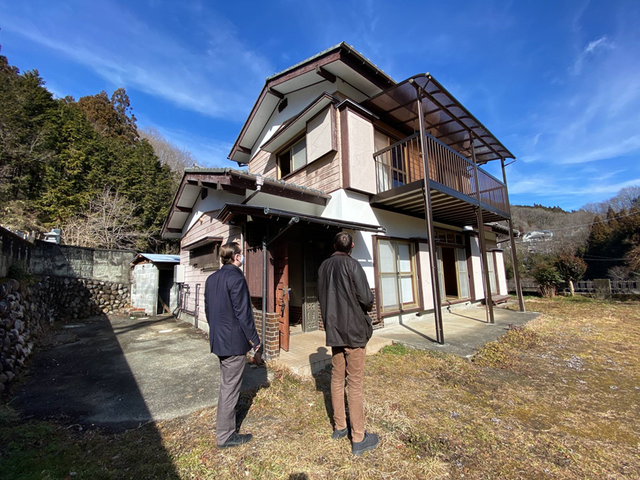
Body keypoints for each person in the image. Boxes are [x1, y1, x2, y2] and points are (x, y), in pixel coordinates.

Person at [317, 232, 379, 456]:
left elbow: (321, 296)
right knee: (354, 383)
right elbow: (367, 298)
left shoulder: (323, 266)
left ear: (334, 245)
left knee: (336, 378)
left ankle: (340, 427)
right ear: (352, 246)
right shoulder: (353, 266)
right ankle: (359, 438)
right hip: (353, 331)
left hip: (334, 331)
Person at [204, 241, 261, 449]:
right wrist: (255, 340)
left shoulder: (211, 279)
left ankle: (224, 427)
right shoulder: (236, 277)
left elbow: (209, 311)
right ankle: (226, 435)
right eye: (242, 254)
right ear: (236, 257)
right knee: (230, 388)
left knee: (226, 384)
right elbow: (244, 313)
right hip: (233, 343)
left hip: (218, 339)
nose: (243, 257)